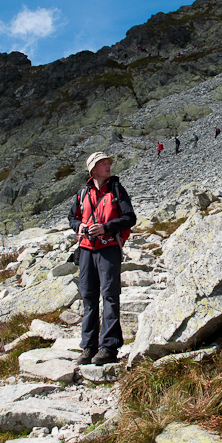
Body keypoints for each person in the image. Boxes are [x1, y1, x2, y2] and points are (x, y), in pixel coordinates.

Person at [67, 152, 137, 366]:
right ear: (93, 169)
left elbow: (130, 218)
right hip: (86, 249)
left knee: (109, 295)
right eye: (103, 163)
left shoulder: (117, 190)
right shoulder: (82, 193)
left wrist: (105, 227)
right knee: (88, 297)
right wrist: (79, 227)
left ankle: (109, 347)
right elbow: (72, 217)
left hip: (108, 249)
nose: (108, 166)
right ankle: (89, 347)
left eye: (108, 162)